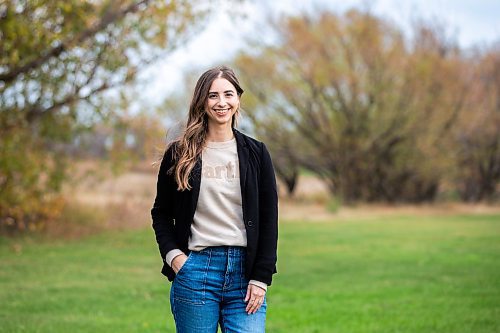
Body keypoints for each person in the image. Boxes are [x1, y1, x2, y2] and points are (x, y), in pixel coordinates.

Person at [151, 65, 278, 332]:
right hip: (195, 270)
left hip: (245, 275)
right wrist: (173, 256)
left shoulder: (257, 153)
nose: (222, 103)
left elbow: (269, 219)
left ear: (238, 99)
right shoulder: (179, 154)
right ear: (202, 102)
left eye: (228, 94)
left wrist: (261, 277)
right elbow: (161, 212)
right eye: (213, 96)